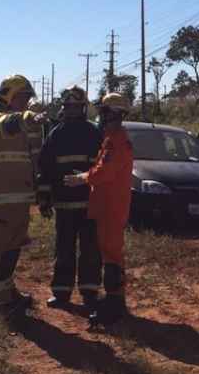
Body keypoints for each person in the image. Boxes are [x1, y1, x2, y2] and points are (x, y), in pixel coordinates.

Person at [65, 92, 133, 329]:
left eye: (104, 112)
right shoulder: (110, 139)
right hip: (105, 204)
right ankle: (114, 299)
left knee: (112, 254)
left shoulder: (117, 141)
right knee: (108, 253)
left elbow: (105, 172)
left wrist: (81, 178)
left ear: (115, 114)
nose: (100, 116)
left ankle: (114, 305)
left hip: (111, 206)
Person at [0, 75, 47, 312]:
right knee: (2, 245)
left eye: (29, 98)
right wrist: (28, 116)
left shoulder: (18, 124)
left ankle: (8, 291)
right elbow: (9, 124)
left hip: (19, 197)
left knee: (13, 245)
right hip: (4, 198)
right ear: (9, 97)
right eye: (23, 97)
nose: (27, 101)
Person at [36, 86, 103, 309]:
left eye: (75, 107)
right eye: (68, 106)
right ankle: (62, 293)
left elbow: (102, 168)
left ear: (82, 108)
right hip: (64, 203)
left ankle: (89, 292)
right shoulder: (57, 133)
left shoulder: (94, 133)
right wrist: (44, 199)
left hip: (90, 204)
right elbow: (44, 168)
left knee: (90, 250)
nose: (71, 110)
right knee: (64, 250)